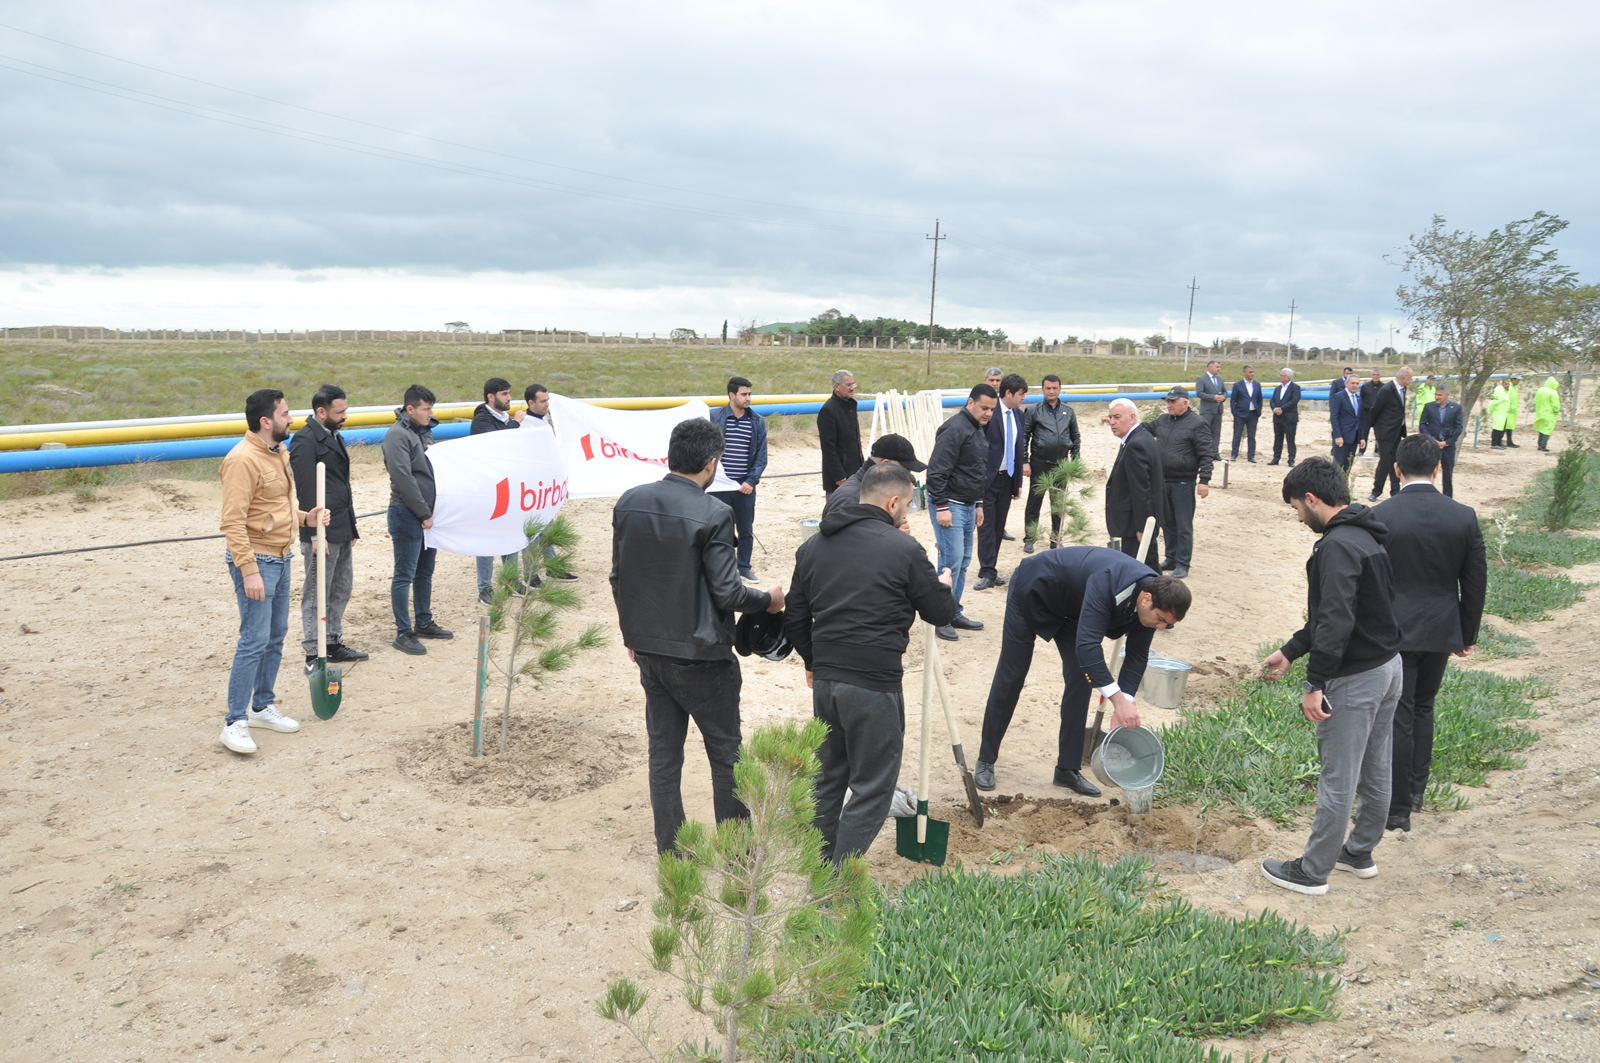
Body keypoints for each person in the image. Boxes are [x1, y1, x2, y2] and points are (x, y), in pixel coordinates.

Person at [610, 418, 784, 855]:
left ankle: (671, 852)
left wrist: (633, 633)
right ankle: (738, 853)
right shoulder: (715, 513)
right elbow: (729, 592)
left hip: (649, 649)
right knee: (726, 755)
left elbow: (619, 577)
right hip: (703, 655)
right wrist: (769, 600)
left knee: (664, 756)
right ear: (711, 464)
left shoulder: (630, 501)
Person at [785, 463, 956, 864]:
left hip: (827, 682)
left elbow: (794, 616)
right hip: (874, 683)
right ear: (893, 502)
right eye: (907, 505)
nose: (906, 513)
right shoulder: (904, 549)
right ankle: (837, 883)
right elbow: (940, 612)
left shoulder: (812, 547)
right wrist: (944, 587)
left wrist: (813, 661)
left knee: (828, 779)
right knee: (873, 787)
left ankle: (819, 868)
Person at [1259, 458, 1402, 895]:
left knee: (1338, 776)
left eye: (1297, 509)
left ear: (1312, 498)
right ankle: (1359, 852)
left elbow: (1335, 620)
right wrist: (1290, 651)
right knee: (1375, 765)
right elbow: (1342, 613)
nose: (1299, 519)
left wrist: (1314, 683)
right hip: (1388, 667)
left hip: (1355, 677)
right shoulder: (1366, 535)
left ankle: (1313, 871)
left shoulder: (1336, 546)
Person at [973, 546, 1189, 795]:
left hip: (1073, 611)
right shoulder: (1109, 582)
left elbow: (1137, 655)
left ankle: (1067, 769)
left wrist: (1125, 701)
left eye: (1167, 624)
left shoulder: (1152, 603)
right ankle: (986, 759)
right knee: (1013, 674)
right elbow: (1088, 648)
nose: (1161, 627)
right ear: (1146, 600)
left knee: (1080, 677)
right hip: (1035, 591)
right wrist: (1117, 700)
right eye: (1161, 620)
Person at [1372, 435, 1486, 833]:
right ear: (1438, 469)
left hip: (1394, 630)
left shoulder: (1381, 515)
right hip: (1441, 626)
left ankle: (1397, 808)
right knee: (1423, 707)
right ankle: (1416, 793)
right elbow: (1474, 582)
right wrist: (1467, 633)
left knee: (1399, 714)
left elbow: (1372, 579)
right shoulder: (1463, 516)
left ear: (1397, 469)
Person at [217, 389, 329, 754]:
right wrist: (248, 570)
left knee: (275, 635)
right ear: (266, 421)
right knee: (254, 639)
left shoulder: (277, 452)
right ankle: (235, 721)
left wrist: (306, 518)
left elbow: (272, 508)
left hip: (281, 558)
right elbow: (233, 522)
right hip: (258, 562)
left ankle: (261, 706)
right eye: (285, 414)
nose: (291, 419)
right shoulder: (242, 460)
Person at [289, 384, 367, 670]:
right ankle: (313, 651)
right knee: (317, 591)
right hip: (321, 529)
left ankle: (332, 641)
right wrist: (314, 535)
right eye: (340, 411)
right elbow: (307, 490)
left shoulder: (333, 435)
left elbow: (342, 485)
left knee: (341, 587)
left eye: (345, 410)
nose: (345, 415)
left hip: (341, 525)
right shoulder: (305, 440)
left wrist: (352, 525)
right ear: (321, 412)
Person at [384, 384, 453, 656]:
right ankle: (404, 632)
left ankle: (424, 621)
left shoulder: (423, 432)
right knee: (404, 574)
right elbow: (404, 478)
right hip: (406, 513)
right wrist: (424, 513)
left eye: (431, 408)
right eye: (426, 409)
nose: (430, 413)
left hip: (427, 514)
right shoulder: (397, 436)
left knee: (425, 572)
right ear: (410, 409)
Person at [925, 384, 994, 641]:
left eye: (992, 410)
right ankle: (939, 617)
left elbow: (976, 469)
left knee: (963, 561)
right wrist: (942, 506)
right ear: (970, 403)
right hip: (950, 505)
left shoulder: (976, 429)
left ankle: (953, 611)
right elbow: (937, 471)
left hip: (967, 504)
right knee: (950, 563)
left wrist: (979, 503)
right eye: (984, 408)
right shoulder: (954, 428)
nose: (988, 414)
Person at [470, 377, 526, 604]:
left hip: (507, 486)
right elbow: (497, 443)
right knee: (486, 536)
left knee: (510, 531)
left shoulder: (503, 419)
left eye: (509, 393)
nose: (509, 398)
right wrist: (516, 424)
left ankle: (511, 579)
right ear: (490, 397)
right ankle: (485, 588)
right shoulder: (481, 421)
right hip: (487, 489)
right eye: (504, 394)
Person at [709, 376, 769, 583]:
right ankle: (723, 569)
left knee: (745, 529)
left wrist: (751, 481)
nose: (748, 398)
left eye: (750, 394)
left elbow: (761, 456)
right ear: (731, 395)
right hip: (718, 485)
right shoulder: (713, 417)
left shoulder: (757, 421)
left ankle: (744, 567)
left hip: (744, 486)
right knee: (719, 528)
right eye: (744, 394)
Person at [1148, 387, 1212, 579]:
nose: (1169, 405)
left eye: (1173, 401)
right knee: (1167, 523)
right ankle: (1171, 558)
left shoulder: (1198, 424)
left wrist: (1204, 480)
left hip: (1184, 482)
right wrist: (1120, 420)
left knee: (1183, 525)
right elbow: (1142, 429)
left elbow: (1206, 454)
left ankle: (1183, 563)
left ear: (1185, 402)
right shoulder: (1162, 420)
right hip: (1162, 480)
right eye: (1168, 401)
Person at [975, 374, 1028, 590]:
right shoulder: (991, 412)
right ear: (1009, 393)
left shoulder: (1018, 415)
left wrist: (1017, 483)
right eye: (1021, 394)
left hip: (1007, 479)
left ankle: (989, 567)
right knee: (986, 526)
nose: (1024, 398)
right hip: (988, 479)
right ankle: (988, 571)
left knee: (998, 527)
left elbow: (1019, 449)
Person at [1022, 374, 1081, 553]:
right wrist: (1025, 461)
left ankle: (1056, 540)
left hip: (1062, 465)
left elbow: (1075, 436)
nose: (1051, 391)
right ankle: (1030, 538)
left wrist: (1075, 462)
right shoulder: (1034, 410)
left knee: (1058, 505)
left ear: (1060, 389)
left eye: (1055, 388)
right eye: (1048, 388)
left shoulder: (1068, 411)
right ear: (1043, 389)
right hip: (1039, 463)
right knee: (1034, 503)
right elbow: (1024, 436)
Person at [1104, 398, 1163, 567]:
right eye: (1111, 417)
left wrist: (1143, 527)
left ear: (1132, 418)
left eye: (1117, 417)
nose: (1112, 422)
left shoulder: (1136, 445)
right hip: (1138, 521)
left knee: (1141, 569)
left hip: (1136, 523)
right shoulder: (1141, 437)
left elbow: (1141, 490)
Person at [823, 433, 926, 518]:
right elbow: (843, 537)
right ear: (885, 464)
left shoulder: (871, 490)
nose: (907, 476)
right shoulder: (851, 500)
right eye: (905, 471)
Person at [1365, 366, 1412, 501]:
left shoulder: (1403, 389)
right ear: (1402, 377)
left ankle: (1395, 492)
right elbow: (1375, 410)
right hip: (1385, 433)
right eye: (1410, 377)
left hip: (1397, 431)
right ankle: (1376, 491)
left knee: (1396, 461)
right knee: (1385, 462)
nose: (1411, 380)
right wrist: (1377, 428)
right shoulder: (1386, 390)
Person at [817, 369, 863, 494]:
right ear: (837, 387)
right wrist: (839, 476)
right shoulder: (828, 411)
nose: (852, 388)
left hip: (856, 474)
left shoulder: (850, 407)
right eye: (848, 385)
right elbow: (828, 448)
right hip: (839, 480)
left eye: (853, 384)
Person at [1418, 382, 1464, 496]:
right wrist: (1432, 440)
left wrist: (1446, 442)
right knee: (1426, 472)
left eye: (1440, 395)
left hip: (1447, 446)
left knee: (1447, 473)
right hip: (1431, 445)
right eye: (1436, 394)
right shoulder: (1429, 406)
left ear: (1447, 395)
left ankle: (1447, 497)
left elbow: (1458, 428)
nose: (1437, 397)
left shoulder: (1456, 408)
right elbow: (1422, 425)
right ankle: (1426, 495)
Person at [1329, 374, 1367, 471]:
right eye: (1353, 383)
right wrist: (1338, 435)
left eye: (1357, 383)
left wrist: (1362, 437)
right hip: (1342, 437)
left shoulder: (1358, 398)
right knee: (1337, 466)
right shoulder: (1338, 397)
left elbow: (1360, 419)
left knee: (1348, 466)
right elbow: (1334, 417)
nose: (1355, 385)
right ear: (1346, 383)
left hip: (1354, 437)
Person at [1194, 360, 1227, 461]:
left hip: (1218, 410)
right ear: (1210, 368)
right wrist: (1213, 397)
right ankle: (1204, 453)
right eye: (1217, 367)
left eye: (1219, 367)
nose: (1219, 369)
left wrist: (1223, 397)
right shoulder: (1201, 379)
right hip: (1207, 411)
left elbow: (1225, 391)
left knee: (1216, 432)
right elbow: (1199, 393)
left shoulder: (1220, 379)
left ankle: (1215, 453)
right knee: (1205, 433)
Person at [1229, 365, 1263, 462]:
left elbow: (1259, 399)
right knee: (1237, 435)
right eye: (1250, 372)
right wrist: (1234, 412)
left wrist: (1258, 410)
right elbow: (1233, 400)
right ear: (1245, 373)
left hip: (1253, 414)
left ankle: (1251, 456)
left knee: (1251, 436)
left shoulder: (1257, 385)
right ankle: (1234, 454)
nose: (1252, 374)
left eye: (1253, 372)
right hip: (1240, 414)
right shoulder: (1238, 385)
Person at [1268, 367, 1300, 466]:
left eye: (1281, 375)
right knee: (1278, 438)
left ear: (1288, 377)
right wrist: (1275, 409)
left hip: (1289, 418)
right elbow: (1272, 401)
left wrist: (1282, 409)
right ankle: (1276, 458)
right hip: (1277, 418)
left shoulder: (1295, 388)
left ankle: (1291, 460)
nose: (1279, 377)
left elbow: (1294, 401)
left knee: (1290, 439)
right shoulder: (1278, 388)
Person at [1534, 375, 1561, 451]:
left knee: (1542, 430)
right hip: (1549, 414)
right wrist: (1557, 411)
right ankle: (1543, 446)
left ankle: (1539, 445)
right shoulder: (1553, 393)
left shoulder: (1540, 390)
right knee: (1547, 430)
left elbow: (1536, 399)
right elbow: (1556, 404)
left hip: (1540, 413)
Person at [1488, 378, 1511, 448]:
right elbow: (1493, 403)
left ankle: (1499, 443)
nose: (1507, 385)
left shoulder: (1504, 392)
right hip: (1498, 413)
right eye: (1506, 384)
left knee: (1502, 429)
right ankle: (1494, 444)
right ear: (1502, 383)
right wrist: (1490, 411)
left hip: (1504, 414)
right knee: (1497, 429)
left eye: (1508, 384)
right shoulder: (1499, 392)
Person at [1504, 374, 1523, 447]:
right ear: (1513, 379)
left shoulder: (1514, 388)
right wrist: (1511, 406)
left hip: (1512, 411)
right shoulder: (1509, 388)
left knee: (1509, 427)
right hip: (1509, 410)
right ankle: (1504, 442)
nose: (1518, 381)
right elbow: (1507, 398)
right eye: (1517, 380)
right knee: (1505, 427)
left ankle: (1509, 441)